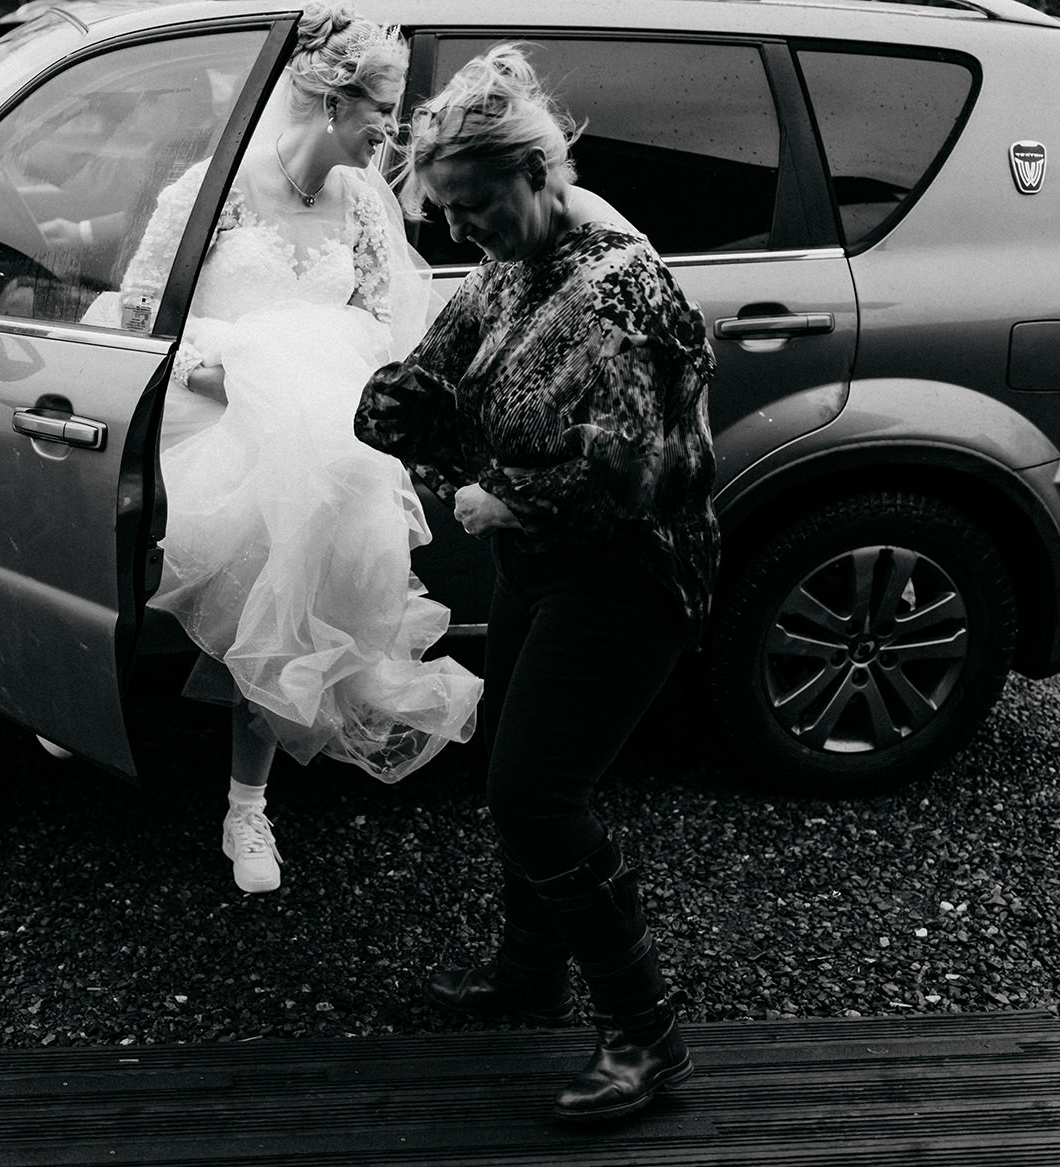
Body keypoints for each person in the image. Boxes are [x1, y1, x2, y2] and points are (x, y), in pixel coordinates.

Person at [354, 45, 719, 1122]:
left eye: (472, 209)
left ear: (536, 175)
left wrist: (499, 498)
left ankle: (646, 1037)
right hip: (546, 568)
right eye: (445, 215)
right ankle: (527, 979)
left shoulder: (621, 291)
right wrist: (426, 442)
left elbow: (650, 474)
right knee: (509, 772)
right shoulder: (514, 260)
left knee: (536, 791)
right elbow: (415, 384)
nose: (460, 233)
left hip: (631, 574)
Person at [116, 1, 482, 895]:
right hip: (215, 424)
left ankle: (248, 805)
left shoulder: (362, 204)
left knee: (293, 601)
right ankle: (65, 692)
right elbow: (137, 311)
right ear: (329, 102)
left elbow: (382, 316)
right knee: (191, 592)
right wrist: (221, 369)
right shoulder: (212, 190)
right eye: (379, 115)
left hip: (325, 447)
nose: (389, 136)